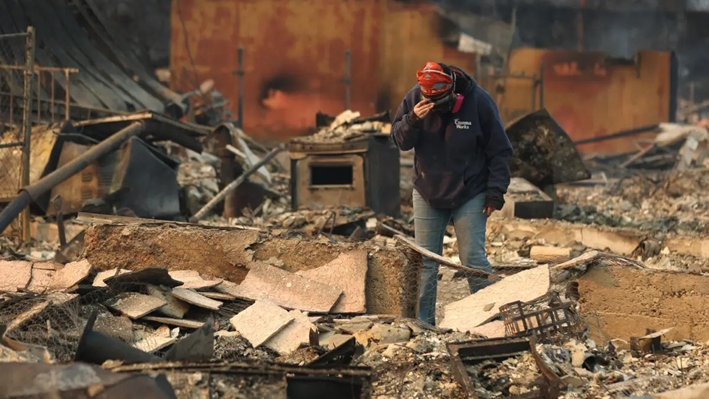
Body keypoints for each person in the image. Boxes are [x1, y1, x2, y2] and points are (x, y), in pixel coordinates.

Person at [391, 61, 513, 325]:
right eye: (429, 99)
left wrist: (495, 192)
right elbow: (400, 140)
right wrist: (412, 120)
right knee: (426, 262)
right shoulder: (415, 97)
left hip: (471, 190)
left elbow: (500, 150)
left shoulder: (478, 101)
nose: (435, 105)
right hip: (428, 190)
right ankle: (424, 325)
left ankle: (488, 321)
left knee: (472, 258)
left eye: (440, 100)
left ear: (453, 91)